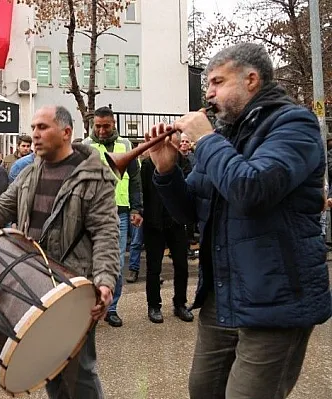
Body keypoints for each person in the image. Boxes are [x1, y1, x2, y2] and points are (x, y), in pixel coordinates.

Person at [148, 43, 331, 399]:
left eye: (218, 82)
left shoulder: (294, 123)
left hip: (276, 296)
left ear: (251, 79)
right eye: (208, 86)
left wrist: (205, 139)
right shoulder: (226, 136)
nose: (210, 93)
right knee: (203, 389)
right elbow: (189, 212)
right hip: (224, 292)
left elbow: (252, 189)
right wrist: (166, 169)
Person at [0, 105, 119, 399]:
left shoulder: (93, 177)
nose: (34, 134)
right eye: (33, 127)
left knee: (79, 371)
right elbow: (1, 208)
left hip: (72, 289)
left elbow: (106, 233)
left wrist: (105, 280)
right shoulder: (29, 172)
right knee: (48, 366)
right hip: (35, 286)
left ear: (66, 132)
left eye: (42, 127)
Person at [82, 106, 143, 327]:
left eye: (105, 126)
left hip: (121, 212)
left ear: (114, 123)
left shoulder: (125, 145)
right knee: (89, 263)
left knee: (115, 263)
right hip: (91, 212)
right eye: (97, 126)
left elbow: (135, 178)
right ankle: (90, 308)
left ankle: (112, 308)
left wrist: (137, 209)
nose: (101, 130)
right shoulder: (86, 146)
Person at [140, 147, 193, 323]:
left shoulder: (182, 162)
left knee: (182, 265)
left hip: (176, 222)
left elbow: (188, 186)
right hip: (153, 223)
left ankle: (180, 304)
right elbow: (143, 192)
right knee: (153, 268)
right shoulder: (147, 164)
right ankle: (154, 306)